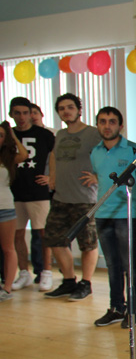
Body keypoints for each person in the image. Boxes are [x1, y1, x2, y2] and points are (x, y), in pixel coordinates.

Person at [89, 107, 136, 328]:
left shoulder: (133, 149)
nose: (107, 126)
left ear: (120, 126)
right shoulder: (94, 152)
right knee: (112, 264)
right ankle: (116, 308)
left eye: (112, 121)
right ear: (97, 125)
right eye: (103, 121)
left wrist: (133, 205)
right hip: (102, 215)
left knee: (129, 264)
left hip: (127, 217)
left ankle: (133, 310)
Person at [43, 93, 102, 301]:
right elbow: (53, 155)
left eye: (70, 107)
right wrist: (52, 175)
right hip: (61, 198)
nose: (66, 111)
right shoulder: (60, 134)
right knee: (54, 239)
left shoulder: (93, 133)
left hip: (85, 199)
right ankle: (69, 281)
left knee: (88, 244)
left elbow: (109, 153)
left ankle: (86, 283)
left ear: (79, 110)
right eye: (62, 109)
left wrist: (98, 177)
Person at [8, 97, 55, 292]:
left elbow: (54, 156)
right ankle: (24, 273)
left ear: (31, 114)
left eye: (25, 113)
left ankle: (46, 272)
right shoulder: (8, 135)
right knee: (17, 234)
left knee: (43, 233)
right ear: (11, 114)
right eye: (17, 113)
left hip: (38, 192)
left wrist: (52, 177)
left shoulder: (44, 134)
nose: (21, 117)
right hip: (15, 192)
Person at [0, 121, 29, 301]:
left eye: (1, 135)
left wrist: (13, 136)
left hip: (5, 207)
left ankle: (7, 288)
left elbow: (24, 155)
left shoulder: (7, 158)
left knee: (8, 248)